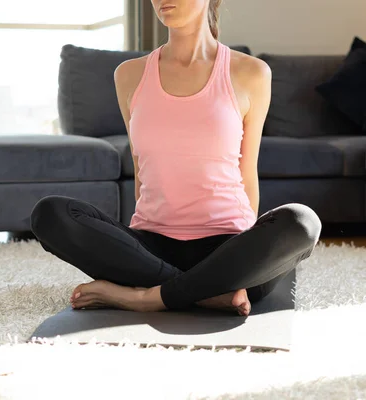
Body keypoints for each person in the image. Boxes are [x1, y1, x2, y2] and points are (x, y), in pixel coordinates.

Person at [29, 0, 322, 316]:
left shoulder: (250, 72)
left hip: (226, 250)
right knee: (50, 213)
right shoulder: (129, 75)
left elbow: (246, 171)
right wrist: (126, 253)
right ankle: (203, 293)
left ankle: (143, 297)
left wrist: (248, 256)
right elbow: (143, 171)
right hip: (151, 246)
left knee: (302, 222)